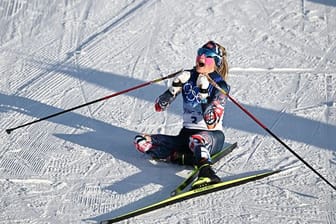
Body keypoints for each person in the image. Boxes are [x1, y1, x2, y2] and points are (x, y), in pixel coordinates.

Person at [134, 41, 230, 189]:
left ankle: (207, 173)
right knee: (140, 141)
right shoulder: (188, 77)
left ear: (216, 61)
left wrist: (204, 93)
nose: (201, 57)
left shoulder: (219, 85)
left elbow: (211, 121)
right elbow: (159, 107)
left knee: (196, 139)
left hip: (212, 136)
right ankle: (187, 157)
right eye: (200, 53)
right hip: (185, 136)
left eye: (208, 55)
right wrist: (174, 88)